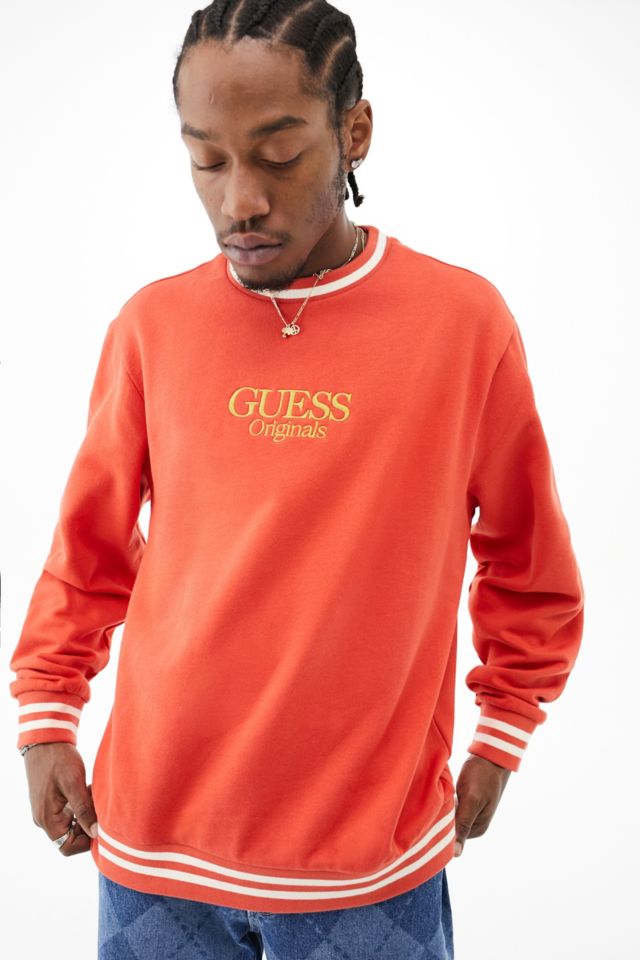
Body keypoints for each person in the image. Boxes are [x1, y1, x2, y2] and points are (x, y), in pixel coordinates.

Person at [9, 1, 585, 958]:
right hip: (154, 851)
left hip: (366, 864)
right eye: (207, 160)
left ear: (354, 131)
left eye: (278, 156)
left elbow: (530, 563)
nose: (239, 201)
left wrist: (503, 733)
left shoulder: (462, 325)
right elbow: (89, 551)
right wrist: (45, 719)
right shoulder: (153, 328)